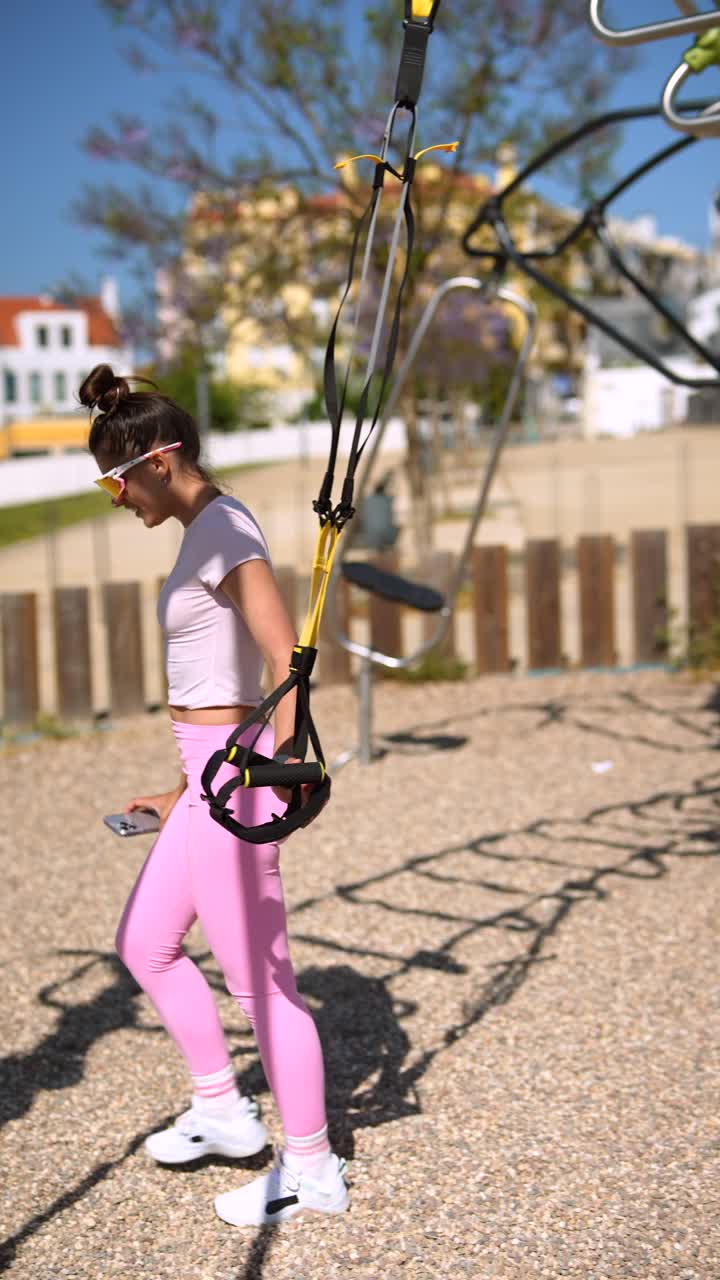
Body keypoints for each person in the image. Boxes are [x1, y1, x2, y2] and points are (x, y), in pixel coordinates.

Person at [82, 363, 348, 1227]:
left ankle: (312, 1169)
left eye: (114, 478)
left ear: (159, 460)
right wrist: (181, 787)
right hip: (208, 773)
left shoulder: (227, 531)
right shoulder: (203, 530)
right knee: (147, 944)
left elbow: (286, 661)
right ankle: (225, 1112)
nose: (114, 497)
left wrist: (279, 775)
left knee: (263, 988)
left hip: (238, 780)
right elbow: (223, 680)